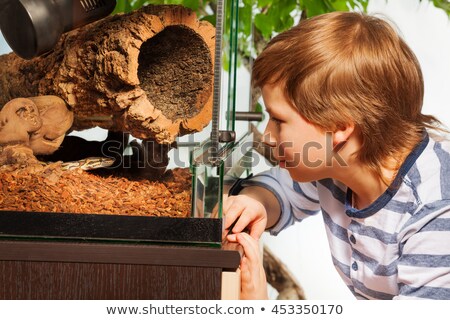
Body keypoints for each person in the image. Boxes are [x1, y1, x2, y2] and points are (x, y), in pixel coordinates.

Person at [224, 11, 450, 300]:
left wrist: (260, 307)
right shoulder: (338, 165)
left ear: (340, 127)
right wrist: (255, 203)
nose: (267, 136)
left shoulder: (434, 214)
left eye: (278, 120)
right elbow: (283, 189)